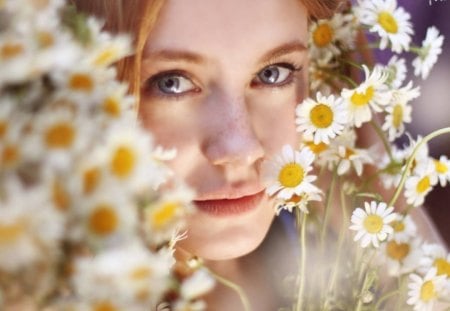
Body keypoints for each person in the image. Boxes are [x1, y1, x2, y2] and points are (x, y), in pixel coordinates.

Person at [72, 0, 445, 310]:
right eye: (171, 83)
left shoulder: (314, 249)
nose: (241, 149)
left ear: (322, 76)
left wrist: (386, 210)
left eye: (273, 74)